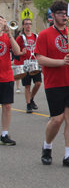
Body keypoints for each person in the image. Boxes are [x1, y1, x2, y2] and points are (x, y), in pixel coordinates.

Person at [35, 0, 69, 167]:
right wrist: (61, 62)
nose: (64, 16)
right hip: (55, 82)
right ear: (53, 15)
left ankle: (68, 155)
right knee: (57, 119)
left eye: (66, 13)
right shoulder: (45, 34)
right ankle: (47, 147)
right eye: (60, 13)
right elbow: (40, 59)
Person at [0, 16, 21, 145]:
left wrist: (10, 35)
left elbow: (17, 51)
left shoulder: (7, 37)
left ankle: (4, 134)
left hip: (6, 75)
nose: (3, 23)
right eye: (0, 21)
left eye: (3, 21)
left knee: (7, 105)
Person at [15, 18, 42, 114]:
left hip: (35, 63)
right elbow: (15, 50)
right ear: (23, 25)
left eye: (29, 24)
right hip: (25, 63)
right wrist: (21, 53)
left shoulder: (36, 37)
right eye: (26, 24)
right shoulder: (20, 38)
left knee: (38, 83)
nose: (28, 25)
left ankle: (31, 98)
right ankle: (28, 104)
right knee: (27, 85)